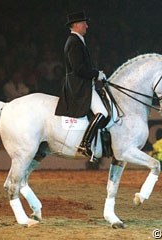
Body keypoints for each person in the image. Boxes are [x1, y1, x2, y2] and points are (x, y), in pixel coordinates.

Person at [55, 11, 108, 160]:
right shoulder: (73, 42)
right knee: (103, 113)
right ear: (76, 25)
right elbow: (78, 69)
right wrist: (96, 74)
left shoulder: (77, 40)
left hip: (84, 84)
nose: (87, 25)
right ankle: (85, 144)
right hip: (78, 87)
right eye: (84, 23)